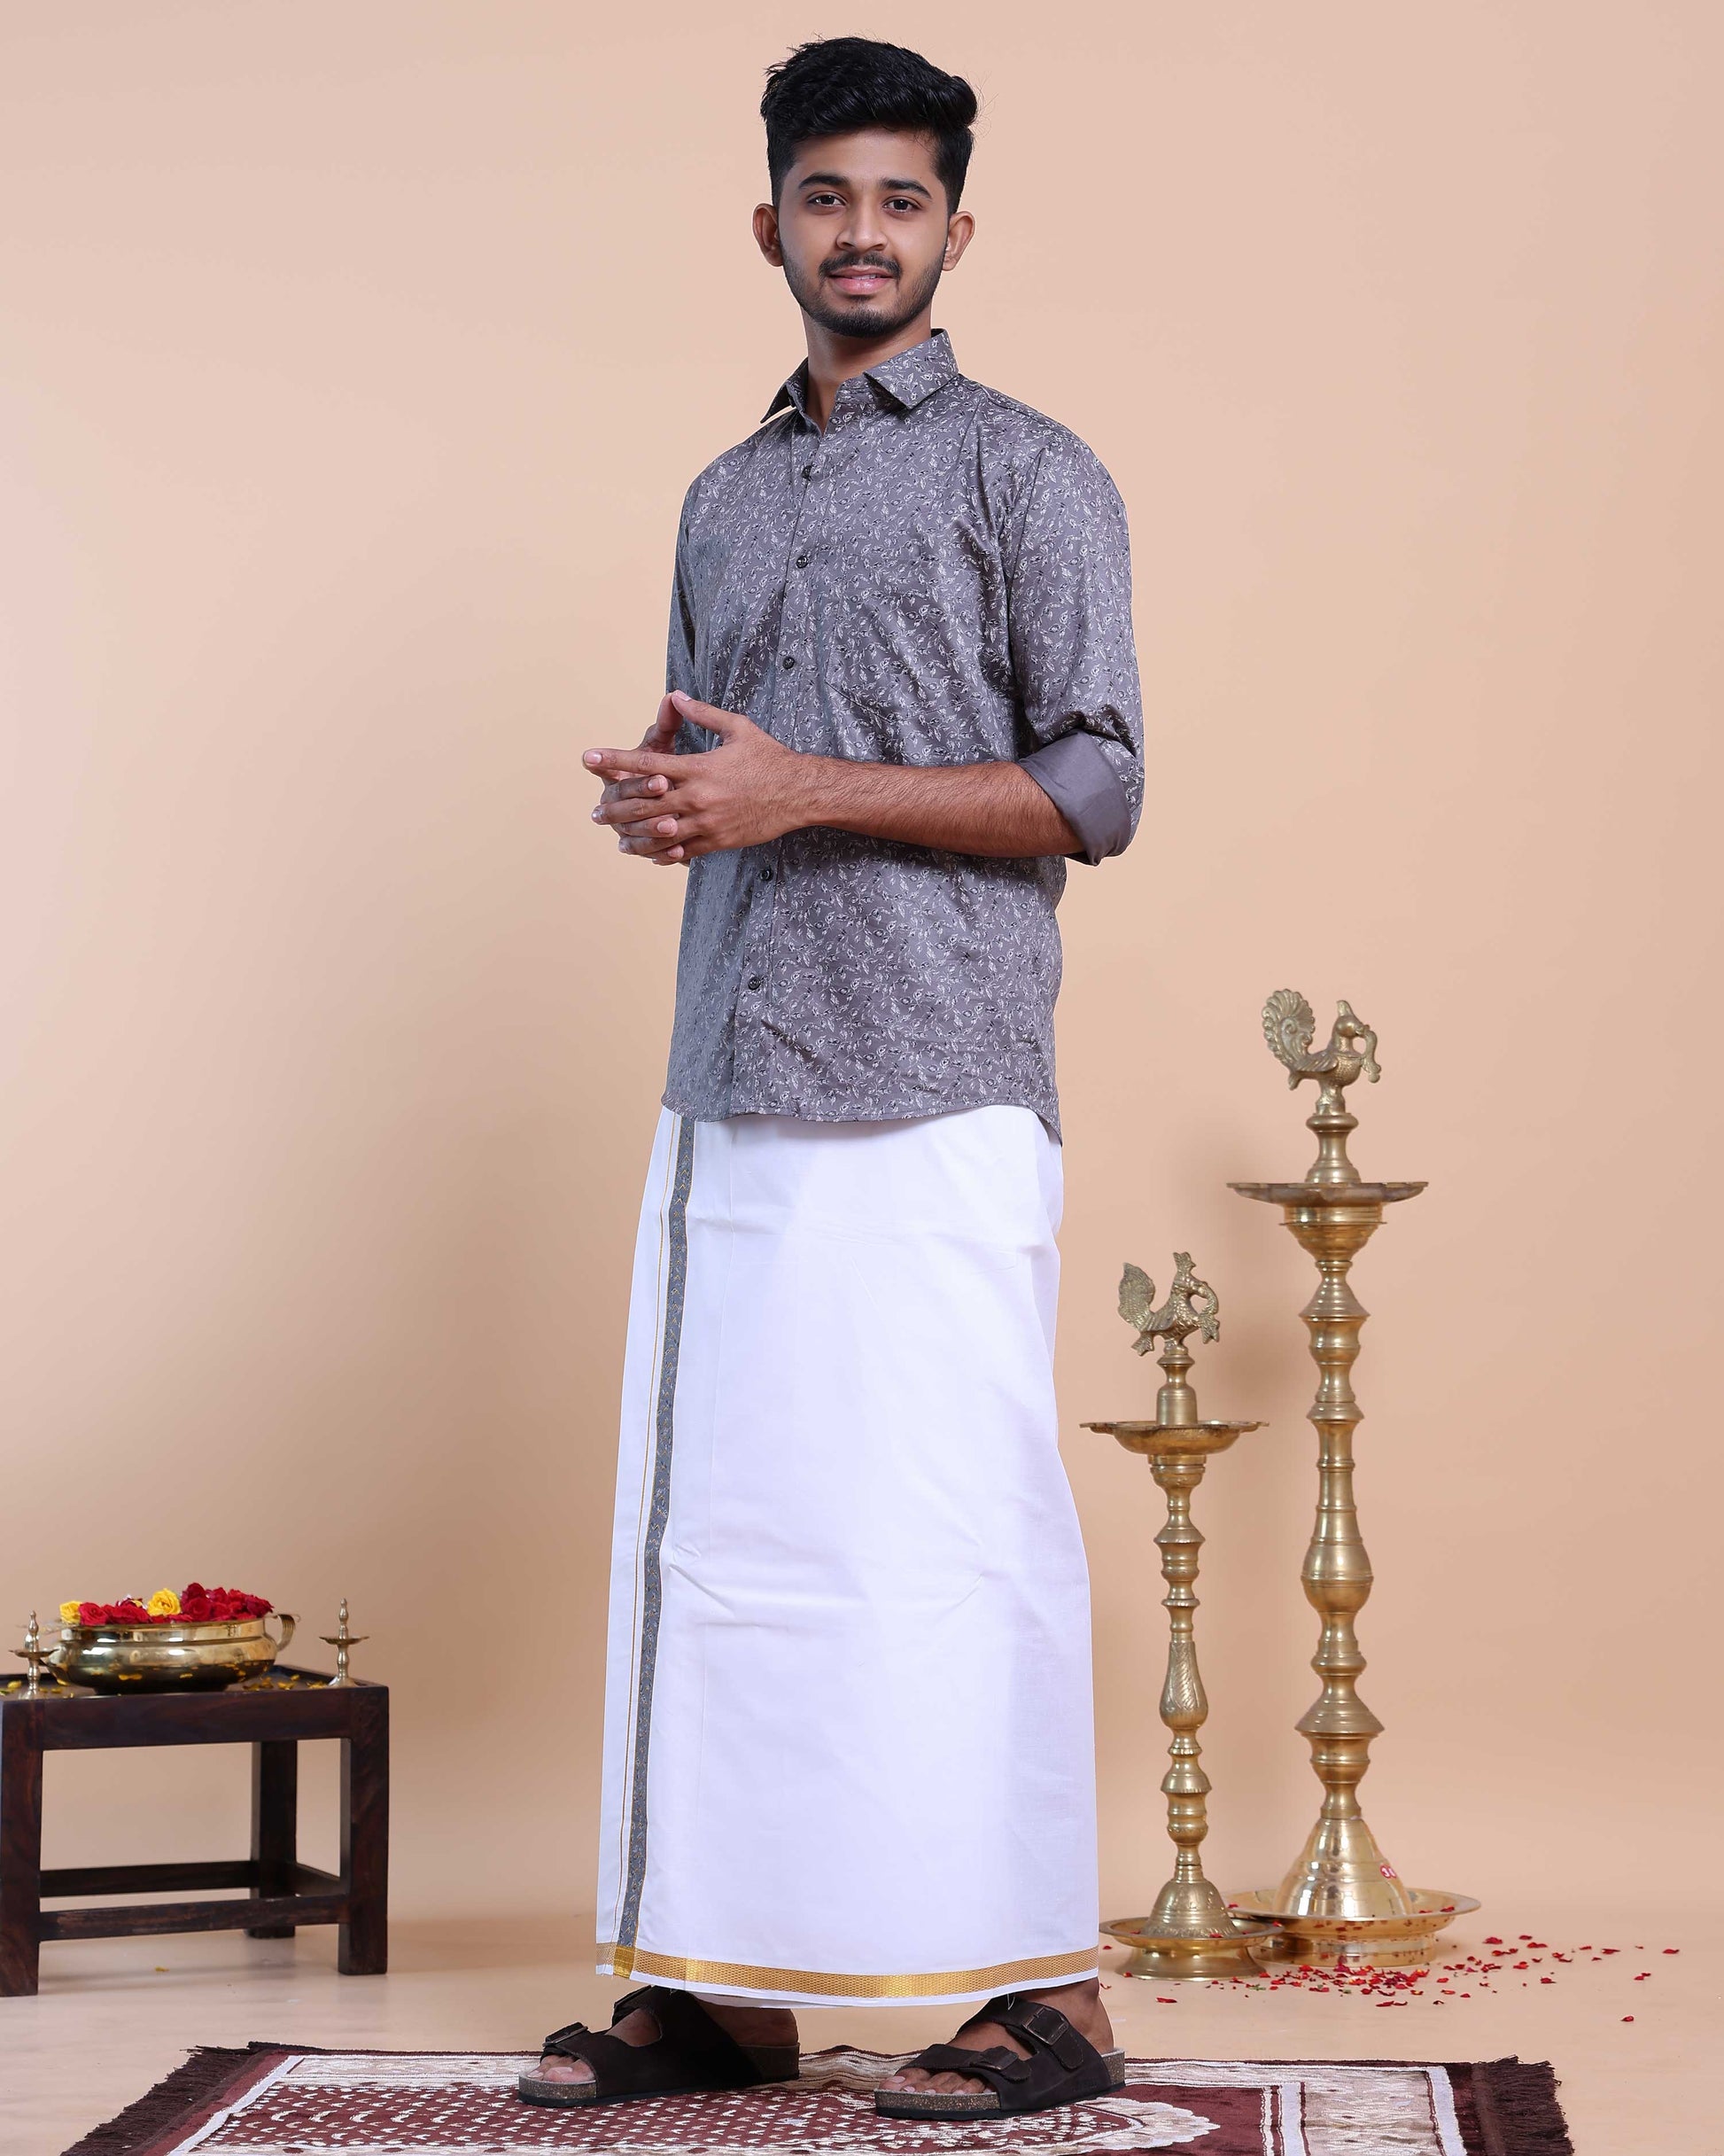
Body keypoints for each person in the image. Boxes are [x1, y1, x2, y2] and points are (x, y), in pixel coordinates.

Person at [519, 35, 1143, 2121]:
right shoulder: (721, 495)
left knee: (950, 1536)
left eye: (898, 200)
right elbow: (733, 762)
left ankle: (1043, 1994)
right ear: (767, 222)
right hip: (730, 1071)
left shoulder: (1029, 473)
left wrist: (797, 789)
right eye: (825, 197)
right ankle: (717, 1981)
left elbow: (1098, 783)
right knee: (720, 1544)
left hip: (937, 1070)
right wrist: (678, 799)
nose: (860, 233)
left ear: (956, 230)